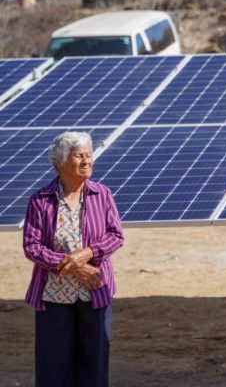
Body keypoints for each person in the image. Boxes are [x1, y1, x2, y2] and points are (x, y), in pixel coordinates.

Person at [23, 131, 124, 387]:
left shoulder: (102, 194)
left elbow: (115, 235)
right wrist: (74, 267)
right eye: (79, 155)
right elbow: (32, 247)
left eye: (89, 155)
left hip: (95, 290)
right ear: (60, 161)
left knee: (94, 363)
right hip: (54, 295)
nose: (87, 161)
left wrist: (86, 253)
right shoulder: (40, 200)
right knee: (53, 365)